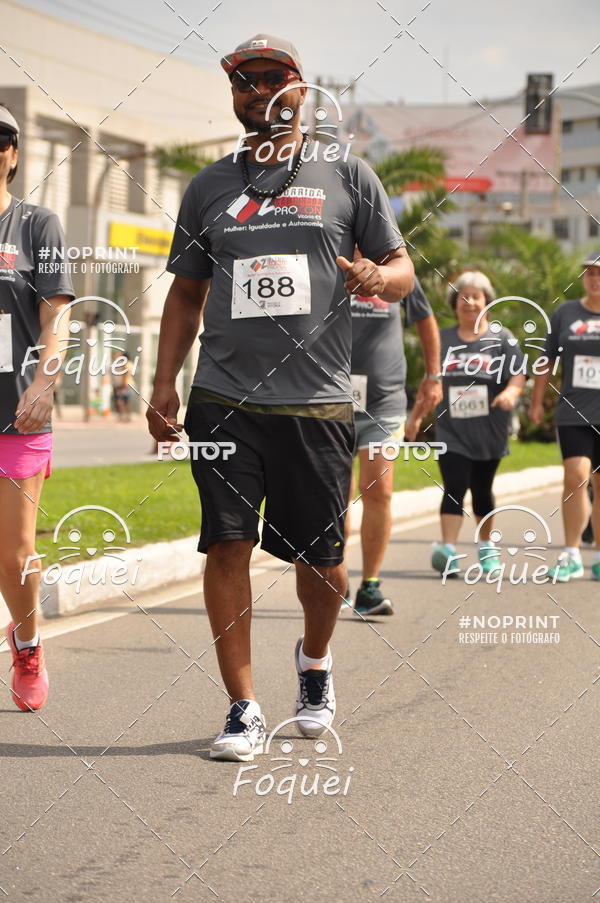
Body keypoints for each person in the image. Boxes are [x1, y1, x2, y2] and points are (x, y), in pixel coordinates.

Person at [147, 35, 414, 762]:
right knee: (226, 543)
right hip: (224, 398)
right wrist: (165, 379)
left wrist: (378, 280)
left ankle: (316, 663)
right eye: (243, 81)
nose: (257, 91)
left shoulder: (347, 176)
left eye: (272, 78)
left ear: (300, 89)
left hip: (318, 402)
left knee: (322, 563)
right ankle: (242, 706)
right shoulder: (208, 187)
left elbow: (403, 268)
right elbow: (187, 291)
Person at [0, 105, 73, 710]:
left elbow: (58, 316)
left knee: (15, 552)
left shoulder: (37, 225)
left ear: (15, 154)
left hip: (16, 410)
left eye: (1, 139)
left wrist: (44, 384)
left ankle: (26, 642)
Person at [410, 270, 526, 577]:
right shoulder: (443, 339)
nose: (470, 302)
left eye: (476, 297)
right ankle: (448, 550)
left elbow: (518, 374)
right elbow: (430, 380)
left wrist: (512, 392)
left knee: (483, 489)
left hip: (490, 429)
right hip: (452, 431)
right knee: (455, 486)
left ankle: (487, 548)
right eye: (464, 297)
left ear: (487, 302)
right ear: (455, 303)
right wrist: (416, 418)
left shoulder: (502, 338)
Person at [345, 275, 442, 615]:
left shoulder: (396, 272)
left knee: (379, 490)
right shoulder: (327, 257)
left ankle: (369, 586)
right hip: (329, 400)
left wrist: (433, 376)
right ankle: (333, 574)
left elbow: (426, 321)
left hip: (383, 404)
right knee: (336, 496)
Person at [529, 251, 600, 581]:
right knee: (576, 475)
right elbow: (546, 360)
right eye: (589, 273)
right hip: (574, 411)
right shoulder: (566, 313)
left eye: (599, 274)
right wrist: (536, 401)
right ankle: (571, 553)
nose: (594, 279)